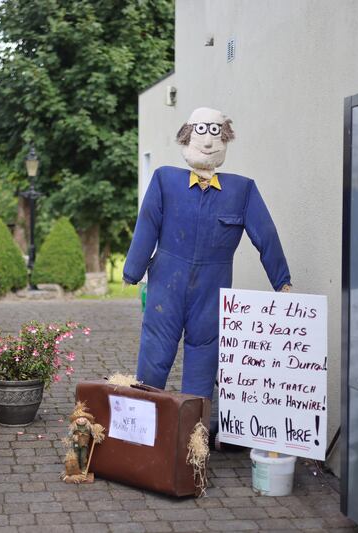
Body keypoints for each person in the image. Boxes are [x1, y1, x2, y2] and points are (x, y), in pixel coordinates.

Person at [123, 107, 292, 400]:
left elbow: (266, 234)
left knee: (204, 355)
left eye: (216, 134)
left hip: (213, 289)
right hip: (167, 282)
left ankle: (194, 434)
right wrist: (133, 270)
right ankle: (145, 426)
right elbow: (147, 224)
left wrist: (282, 280)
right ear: (188, 137)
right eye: (201, 133)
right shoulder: (165, 180)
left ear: (224, 139)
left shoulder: (241, 190)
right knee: (155, 350)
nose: (209, 142)